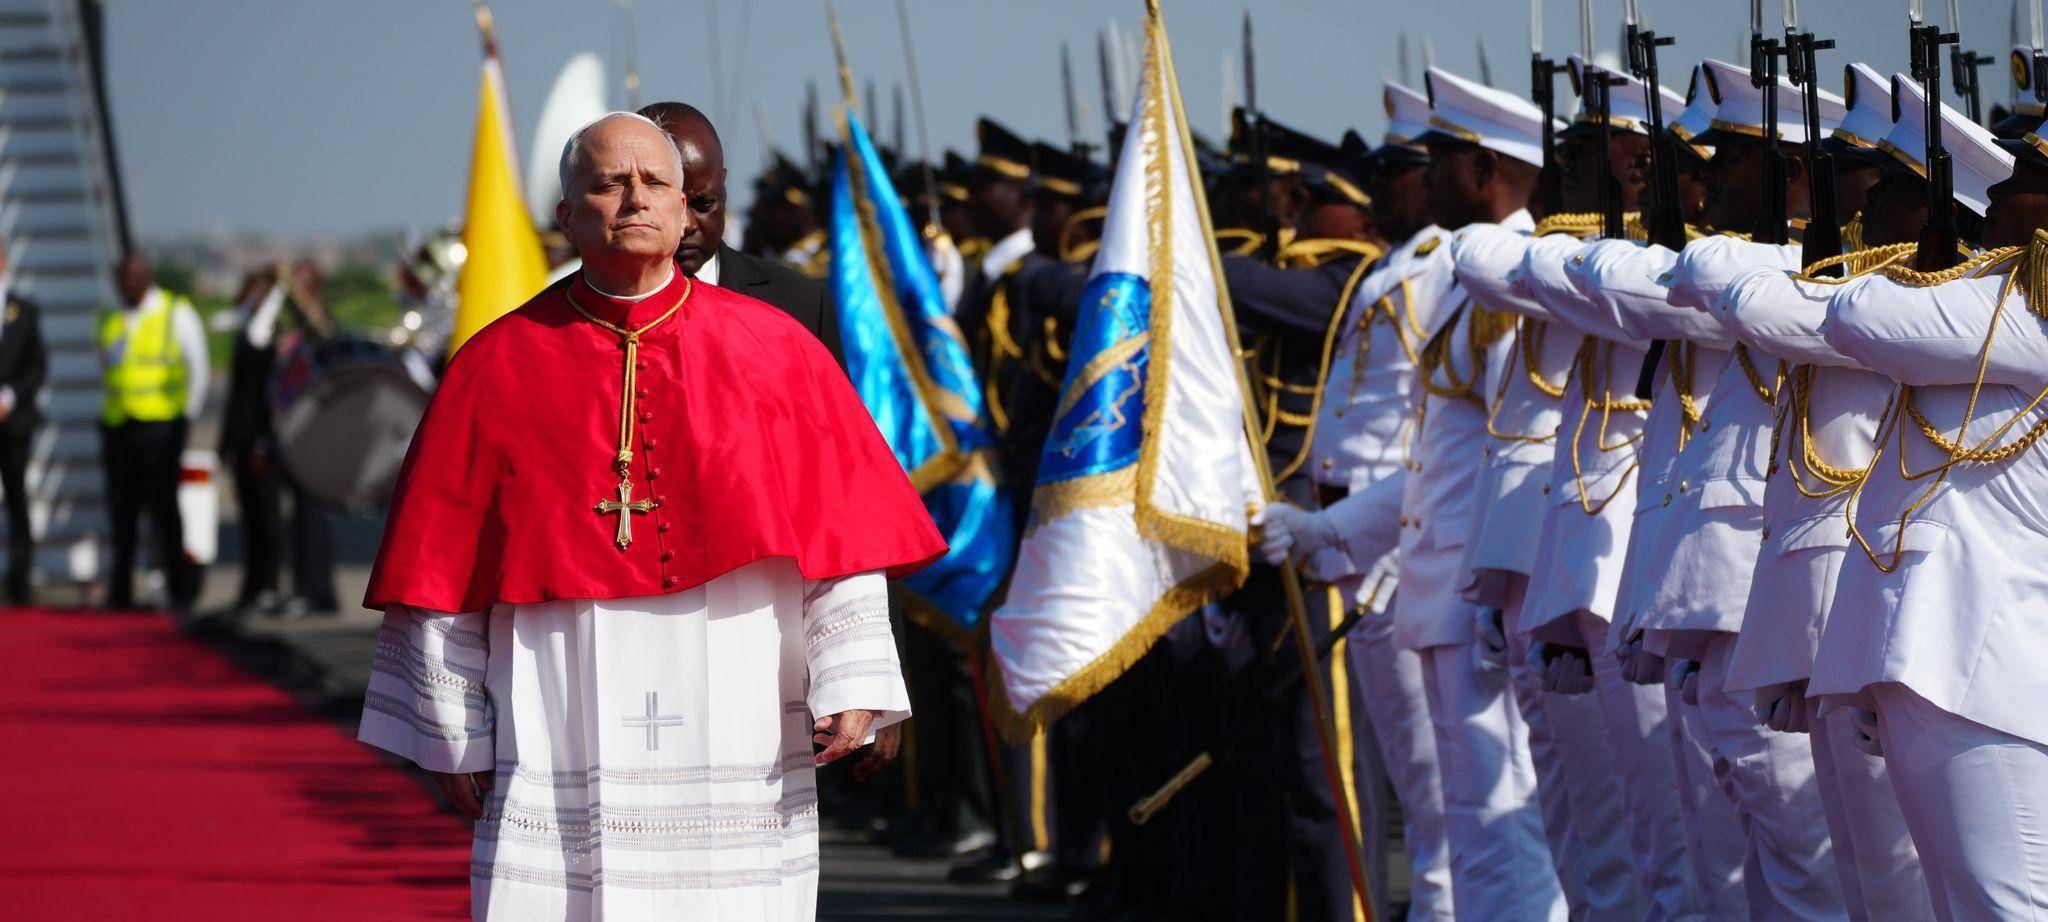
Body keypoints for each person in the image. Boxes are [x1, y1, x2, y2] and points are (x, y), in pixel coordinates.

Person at [355, 112, 945, 920]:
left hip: (741, 684)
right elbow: (443, 560)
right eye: (606, 182)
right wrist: (453, 725)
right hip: (558, 689)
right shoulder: (495, 365)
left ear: (685, 208)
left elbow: (843, 536)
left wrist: (855, 677)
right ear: (566, 216)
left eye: (654, 183)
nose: (634, 197)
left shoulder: (777, 349)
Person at [638, 102, 843, 370]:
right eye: (668, 208)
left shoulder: (800, 304)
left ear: (722, 187)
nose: (686, 225)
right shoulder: (571, 311)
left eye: (703, 205)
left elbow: (833, 409)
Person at [98, 252, 207, 614]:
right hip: (120, 424)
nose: (127, 285)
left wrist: (184, 418)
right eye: (122, 278)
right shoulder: (113, 318)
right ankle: (121, 590)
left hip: (162, 427)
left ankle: (179, 589)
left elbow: (199, 369)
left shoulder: (175, 312)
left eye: (133, 277)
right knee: (122, 510)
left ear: (148, 276)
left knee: (165, 510)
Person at [0, 239, 45, 603]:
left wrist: (9, 397)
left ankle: (20, 580)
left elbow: (37, 366)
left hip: (14, 423)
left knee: (17, 498)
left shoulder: (25, 310)